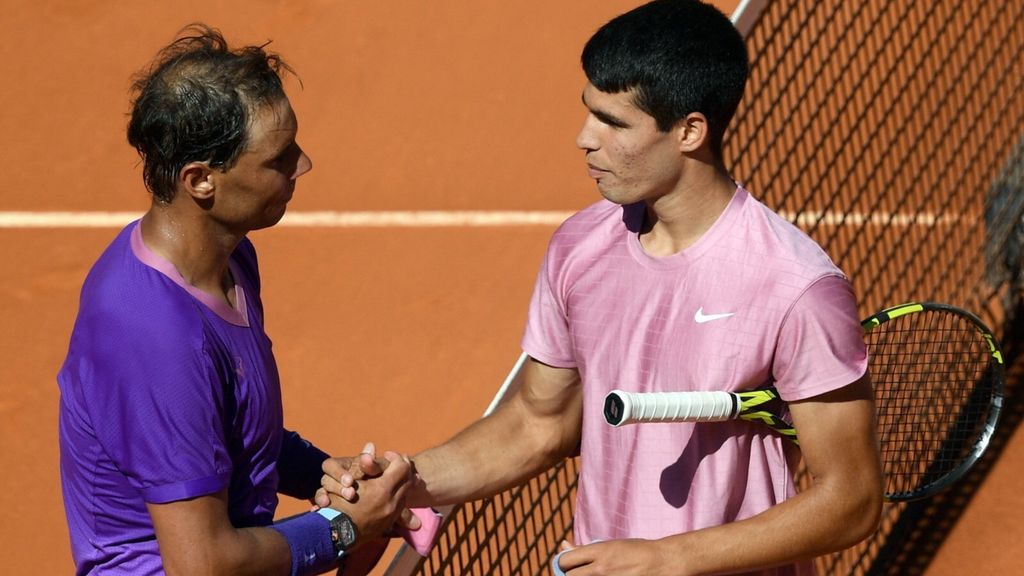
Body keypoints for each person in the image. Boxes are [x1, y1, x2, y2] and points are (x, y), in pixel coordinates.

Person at [320, 1, 883, 574]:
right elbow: (539, 423)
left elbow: (852, 499)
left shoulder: (794, 285)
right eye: (589, 112)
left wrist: (667, 559)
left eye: (614, 123)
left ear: (689, 131)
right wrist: (404, 482)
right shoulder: (581, 246)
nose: (584, 139)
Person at [57, 25, 416, 576]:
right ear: (201, 180)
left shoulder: (230, 259)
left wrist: (325, 472)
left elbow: (233, 435)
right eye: (279, 158)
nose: (303, 165)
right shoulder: (153, 338)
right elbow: (200, 564)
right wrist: (345, 528)